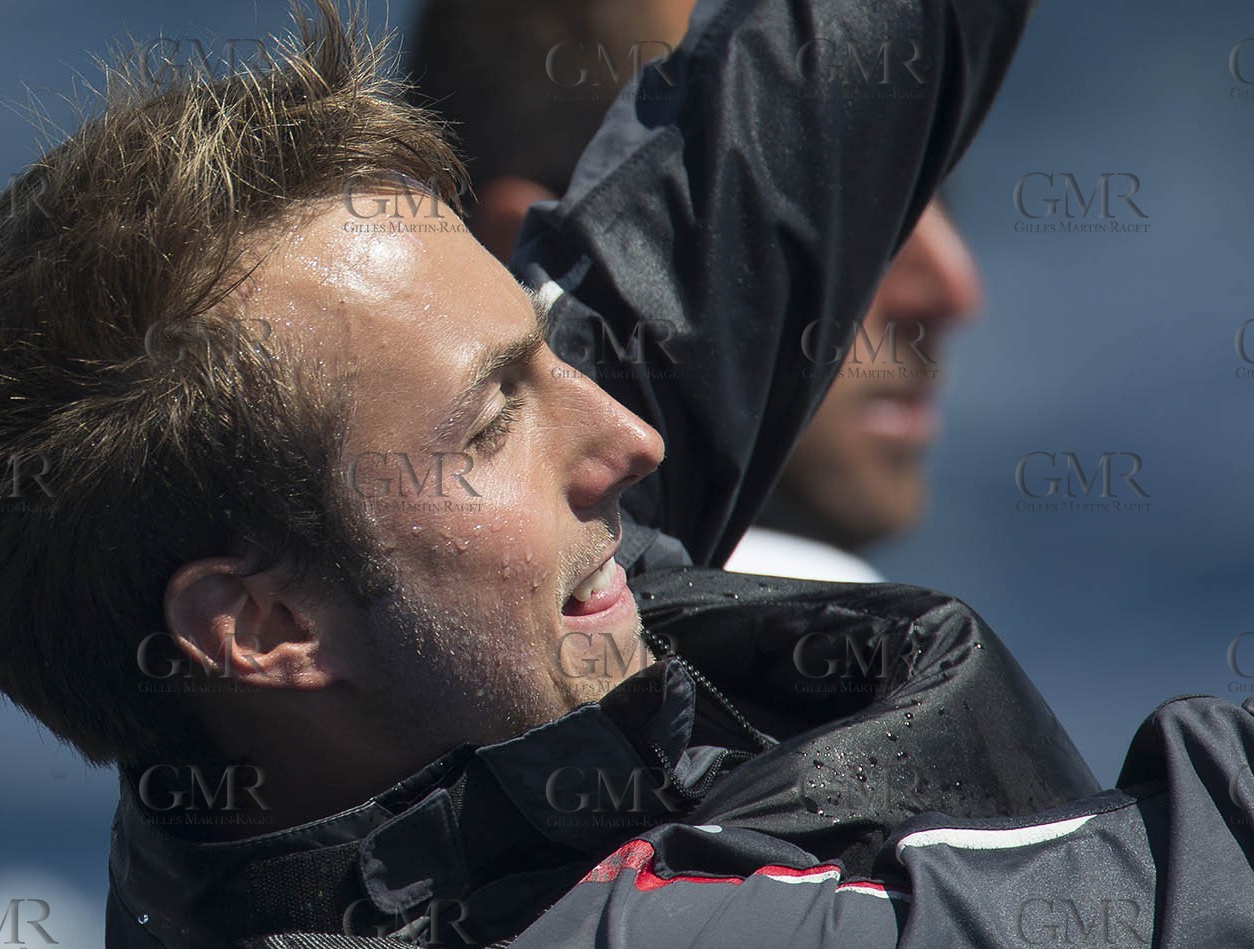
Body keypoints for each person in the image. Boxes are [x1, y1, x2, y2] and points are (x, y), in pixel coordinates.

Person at [0, 1, 1254, 949]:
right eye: (497, 413)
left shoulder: (288, 758)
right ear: (262, 625)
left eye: (537, 348)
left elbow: (817, 87)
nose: (624, 437)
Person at [410, 0, 985, 584]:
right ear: (520, 261)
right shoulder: (845, 656)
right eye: (825, 203)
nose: (954, 288)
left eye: (922, 181)